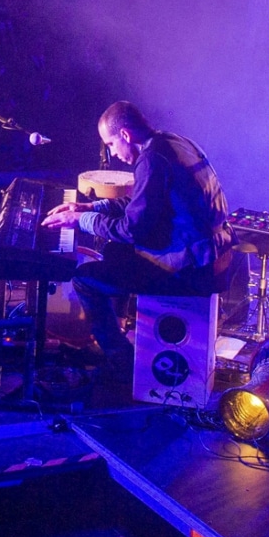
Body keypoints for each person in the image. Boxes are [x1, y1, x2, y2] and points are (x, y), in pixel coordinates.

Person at [42, 101, 233, 357]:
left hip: (194, 271)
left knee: (84, 279)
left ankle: (118, 360)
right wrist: (91, 207)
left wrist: (81, 220)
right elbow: (140, 202)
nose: (112, 153)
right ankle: (120, 330)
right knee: (115, 252)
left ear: (125, 134)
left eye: (111, 144)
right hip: (214, 255)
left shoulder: (152, 159)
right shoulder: (174, 142)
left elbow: (131, 230)